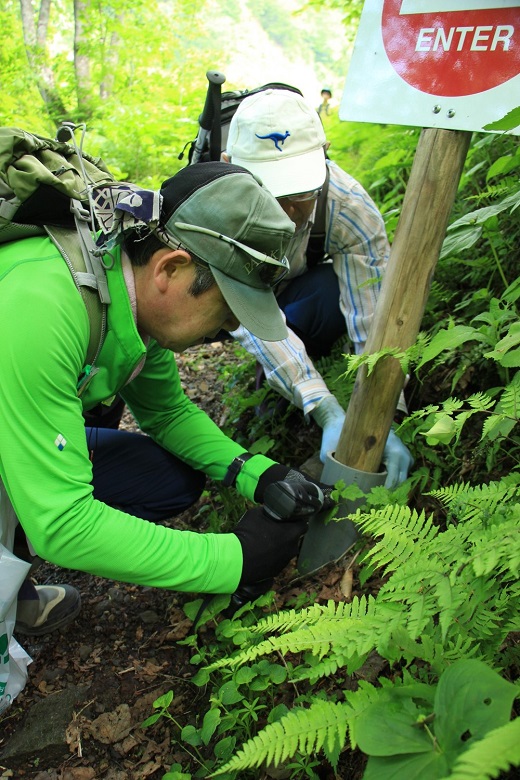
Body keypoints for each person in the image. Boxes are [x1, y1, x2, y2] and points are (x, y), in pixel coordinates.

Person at [0, 161, 325, 640]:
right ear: (170, 268)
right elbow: (64, 522)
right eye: (230, 307)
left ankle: (13, 573)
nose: (230, 330)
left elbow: (167, 412)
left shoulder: (126, 298)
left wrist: (258, 473)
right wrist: (232, 560)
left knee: (166, 478)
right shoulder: (41, 307)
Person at [223, 88, 414, 488]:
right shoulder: (215, 211)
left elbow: (372, 317)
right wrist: (326, 409)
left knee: (329, 294)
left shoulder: (349, 208)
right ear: (228, 167)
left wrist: (385, 414)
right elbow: (247, 314)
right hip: (230, 298)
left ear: (325, 154)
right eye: (268, 192)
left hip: (294, 291)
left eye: (300, 194)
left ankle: (302, 365)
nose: (285, 211)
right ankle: (285, 384)